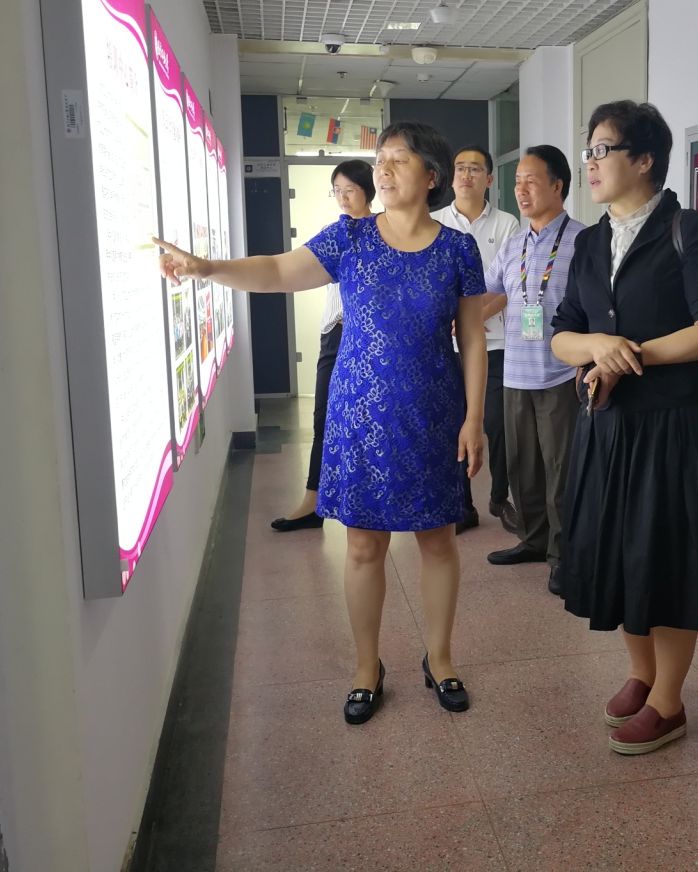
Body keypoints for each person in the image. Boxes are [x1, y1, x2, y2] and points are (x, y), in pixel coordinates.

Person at [155, 122, 487, 726]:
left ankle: (439, 658)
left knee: (438, 539)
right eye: (379, 159)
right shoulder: (351, 238)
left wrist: (474, 418)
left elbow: (472, 338)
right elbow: (278, 272)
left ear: (431, 175)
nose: (382, 169)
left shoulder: (458, 249)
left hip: (432, 413)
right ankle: (366, 667)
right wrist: (205, 267)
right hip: (359, 412)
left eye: (398, 159)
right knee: (362, 544)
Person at [550, 101, 698, 756]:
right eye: (589, 150)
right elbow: (562, 336)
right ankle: (641, 672)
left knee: (666, 558)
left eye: (603, 149)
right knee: (620, 554)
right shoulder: (589, 242)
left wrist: (627, 354)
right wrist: (595, 347)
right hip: (606, 428)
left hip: (671, 429)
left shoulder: (688, 229)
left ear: (644, 160)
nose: (591, 162)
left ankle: (669, 701)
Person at [482, 146, 584, 595]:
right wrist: (460, 319)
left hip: (561, 375)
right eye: (517, 182)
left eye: (531, 181)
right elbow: (492, 292)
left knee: (561, 470)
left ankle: (565, 556)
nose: (521, 190)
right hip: (515, 374)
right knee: (522, 467)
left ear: (558, 186)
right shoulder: (514, 244)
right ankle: (533, 540)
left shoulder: (584, 242)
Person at [271, 159, 374, 532]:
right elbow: (288, 270)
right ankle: (313, 502)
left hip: (367, 338)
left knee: (366, 420)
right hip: (334, 333)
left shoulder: (382, 234)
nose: (343, 198)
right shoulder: (334, 235)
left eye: (350, 190)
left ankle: (366, 498)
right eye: (337, 191)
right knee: (322, 417)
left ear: (368, 191)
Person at [431, 145, 522, 534]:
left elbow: (512, 284)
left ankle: (499, 498)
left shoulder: (507, 224)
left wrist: (475, 317)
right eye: (460, 168)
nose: (466, 175)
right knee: (453, 425)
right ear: (450, 176)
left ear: (489, 178)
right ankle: (463, 505)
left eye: (475, 169)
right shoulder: (434, 222)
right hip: (446, 347)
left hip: (496, 343)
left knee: (499, 426)